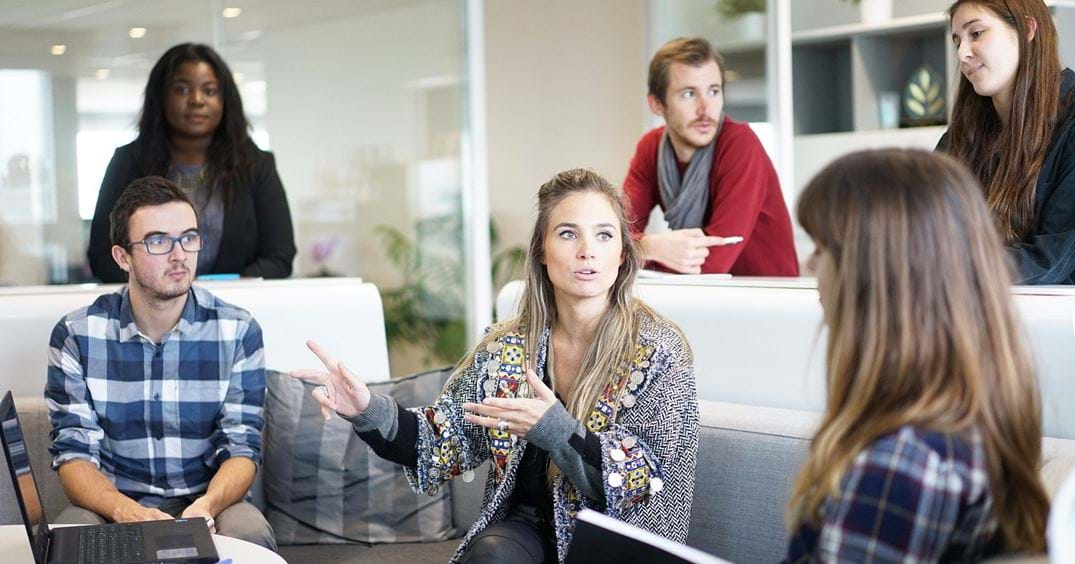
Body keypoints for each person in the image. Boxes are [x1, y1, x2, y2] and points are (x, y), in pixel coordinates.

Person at [293, 168, 699, 563]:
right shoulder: (506, 346)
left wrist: (556, 431)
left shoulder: (659, 349)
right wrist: (367, 410)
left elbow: (644, 482)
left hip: (615, 539)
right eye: (567, 233)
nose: (586, 250)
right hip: (524, 533)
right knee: (492, 554)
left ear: (622, 253)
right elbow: (443, 439)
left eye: (604, 235)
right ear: (542, 250)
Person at [786, 149, 1049, 562]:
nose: (808, 265)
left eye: (822, 249)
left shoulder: (902, 464)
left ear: (873, 273)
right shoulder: (969, 421)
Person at [47, 176, 274, 550]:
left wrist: (206, 507)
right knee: (69, 535)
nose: (179, 254)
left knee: (249, 533)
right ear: (123, 257)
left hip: (209, 501)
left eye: (188, 237)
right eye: (157, 241)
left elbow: (242, 447)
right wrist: (126, 511)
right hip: (113, 504)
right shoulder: (77, 335)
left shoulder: (238, 331)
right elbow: (73, 455)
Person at [939, 0, 1075, 432]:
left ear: (1029, 30)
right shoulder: (962, 138)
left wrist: (936, 271)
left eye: (977, 33)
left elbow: (1050, 258)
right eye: (958, 39)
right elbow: (926, 230)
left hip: (1072, 351)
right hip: (981, 339)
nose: (962, 52)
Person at [87, 42, 296, 283]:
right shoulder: (128, 163)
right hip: (151, 312)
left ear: (225, 100)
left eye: (209, 91)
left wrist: (222, 294)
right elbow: (103, 258)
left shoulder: (257, 166)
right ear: (161, 96)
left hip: (235, 309)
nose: (197, 100)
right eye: (182, 90)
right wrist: (166, 290)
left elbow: (279, 257)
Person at [623, 37, 798, 276]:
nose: (706, 109)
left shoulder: (740, 144)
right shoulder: (651, 148)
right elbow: (614, 236)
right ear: (657, 105)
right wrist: (649, 246)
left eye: (714, 91)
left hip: (767, 298)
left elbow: (713, 264)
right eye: (688, 94)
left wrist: (636, 250)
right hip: (703, 297)